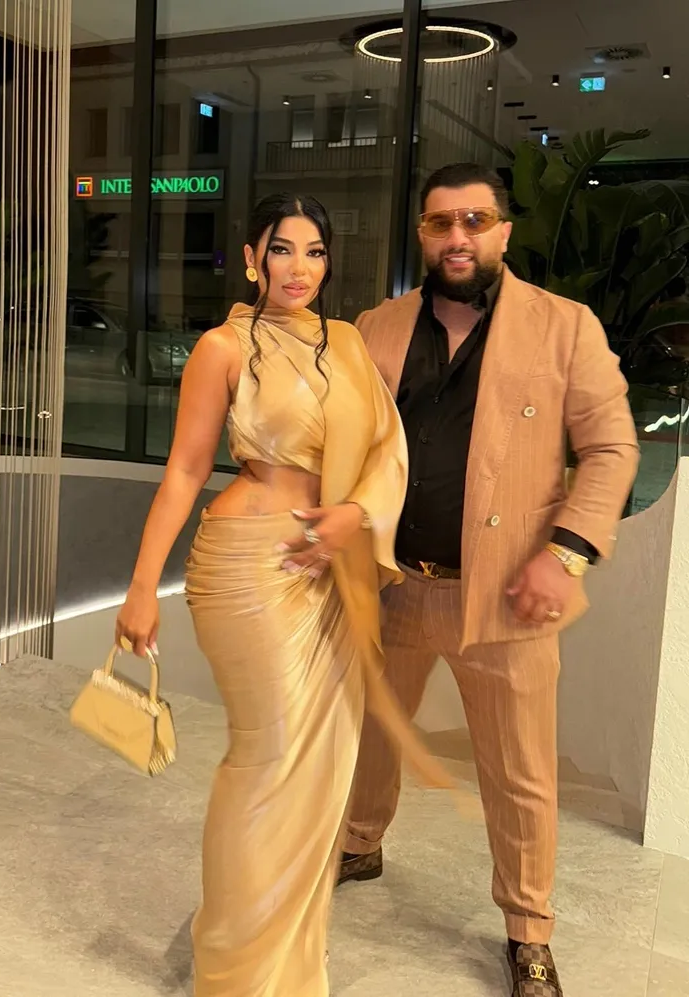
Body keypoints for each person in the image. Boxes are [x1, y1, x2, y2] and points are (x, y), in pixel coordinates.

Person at [115, 192, 452, 996]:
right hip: (247, 567)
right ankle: (233, 964)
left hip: (327, 570)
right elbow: (186, 469)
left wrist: (353, 515)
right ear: (250, 258)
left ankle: (285, 958)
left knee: (320, 766)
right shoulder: (222, 347)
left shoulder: (346, 344)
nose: (299, 268)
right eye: (281, 249)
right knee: (266, 759)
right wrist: (141, 586)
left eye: (314, 251)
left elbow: (387, 450)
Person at [333, 163, 639, 996]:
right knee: (370, 731)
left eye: (474, 220)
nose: (457, 237)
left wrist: (566, 551)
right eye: (440, 222)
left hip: (506, 594)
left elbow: (612, 447)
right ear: (423, 235)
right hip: (393, 582)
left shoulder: (563, 326)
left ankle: (529, 930)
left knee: (519, 770)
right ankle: (359, 841)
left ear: (504, 229)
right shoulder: (376, 328)